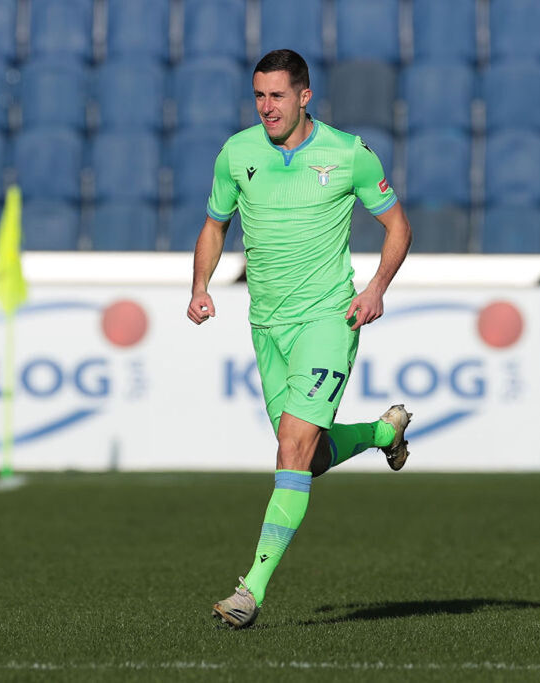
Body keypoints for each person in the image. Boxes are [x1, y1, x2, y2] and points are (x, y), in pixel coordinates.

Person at [186, 49, 414, 629]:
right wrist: (200, 285)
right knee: (305, 460)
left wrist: (376, 287)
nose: (267, 108)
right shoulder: (237, 153)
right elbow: (215, 224)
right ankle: (384, 431)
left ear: (304, 96)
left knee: (291, 447)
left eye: (278, 96)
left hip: (329, 320)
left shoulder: (348, 153)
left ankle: (249, 592)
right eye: (259, 96)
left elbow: (397, 225)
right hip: (267, 325)